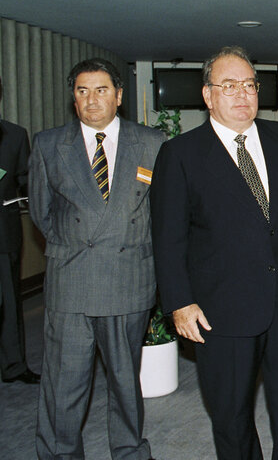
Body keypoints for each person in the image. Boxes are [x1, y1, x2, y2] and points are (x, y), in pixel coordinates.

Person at [150, 46, 278, 460]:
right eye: (229, 86)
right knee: (230, 415)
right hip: (220, 309)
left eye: (249, 85)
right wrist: (179, 302)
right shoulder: (180, 154)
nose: (242, 94)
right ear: (208, 95)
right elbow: (167, 238)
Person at [28, 58, 164, 459]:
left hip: (129, 280)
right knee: (63, 385)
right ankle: (59, 453)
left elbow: (163, 214)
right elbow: (42, 213)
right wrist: (73, 244)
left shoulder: (152, 143)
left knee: (125, 384)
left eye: (101, 90)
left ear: (119, 96)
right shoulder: (49, 145)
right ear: (73, 98)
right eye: (82, 91)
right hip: (71, 282)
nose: (91, 100)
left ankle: (129, 452)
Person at [0, 76, 37, 384]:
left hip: (3, 233)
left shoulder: (14, 135)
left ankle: (14, 365)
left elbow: (27, 180)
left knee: (10, 303)